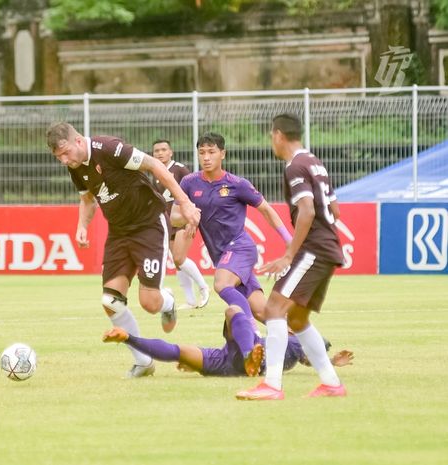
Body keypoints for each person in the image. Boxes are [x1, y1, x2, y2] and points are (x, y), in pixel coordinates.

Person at [46, 122, 201, 378]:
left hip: (149, 224)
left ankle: (168, 302)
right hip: (119, 232)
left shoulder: (108, 148)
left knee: (150, 303)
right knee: (110, 302)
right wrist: (81, 226)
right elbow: (87, 199)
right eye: (58, 157)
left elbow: (155, 165)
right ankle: (143, 361)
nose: (63, 161)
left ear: (77, 142)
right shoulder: (75, 167)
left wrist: (184, 203)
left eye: (65, 153)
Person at [236, 113, 347, 400]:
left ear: (277, 135)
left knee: (274, 309)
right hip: (327, 248)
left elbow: (308, 210)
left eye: (270, 136)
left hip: (314, 249)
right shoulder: (314, 162)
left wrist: (289, 254)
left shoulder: (295, 166)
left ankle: (271, 385)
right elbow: (334, 210)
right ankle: (331, 383)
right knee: (297, 319)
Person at [171, 133, 292, 332]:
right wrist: (189, 214)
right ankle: (309, 345)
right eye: (202, 153)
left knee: (221, 284)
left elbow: (267, 210)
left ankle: (251, 333)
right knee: (264, 313)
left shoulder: (237, 184)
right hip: (222, 256)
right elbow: (174, 217)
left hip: (240, 248)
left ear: (222, 154)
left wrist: (289, 241)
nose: (206, 157)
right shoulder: (189, 183)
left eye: (211, 152)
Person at [102, 305, 354, 378]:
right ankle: (248, 358)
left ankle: (128, 337)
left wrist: (330, 362)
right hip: (233, 359)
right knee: (179, 352)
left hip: (235, 359)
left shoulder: (295, 340)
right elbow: (310, 360)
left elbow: (311, 358)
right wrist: (330, 363)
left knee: (233, 311)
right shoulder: (291, 342)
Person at [151, 139, 210, 310]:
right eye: (156, 151)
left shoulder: (180, 169)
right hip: (167, 222)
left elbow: (195, 193)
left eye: (163, 150)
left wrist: (193, 218)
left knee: (179, 258)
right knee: (177, 262)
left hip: (183, 219)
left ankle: (203, 287)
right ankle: (190, 300)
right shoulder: (154, 171)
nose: (160, 153)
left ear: (171, 152)